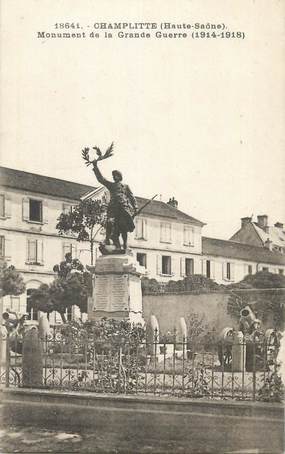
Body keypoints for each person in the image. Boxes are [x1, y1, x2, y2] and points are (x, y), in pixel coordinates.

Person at [92, 160, 138, 251]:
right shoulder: (111, 185)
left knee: (124, 227)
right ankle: (110, 241)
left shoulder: (125, 186)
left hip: (124, 208)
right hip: (113, 209)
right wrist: (95, 166)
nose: (113, 177)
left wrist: (135, 207)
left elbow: (132, 197)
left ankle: (124, 244)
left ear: (120, 177)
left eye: (115, 175)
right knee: (110, 224)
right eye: (113, 176)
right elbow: (101, 179)